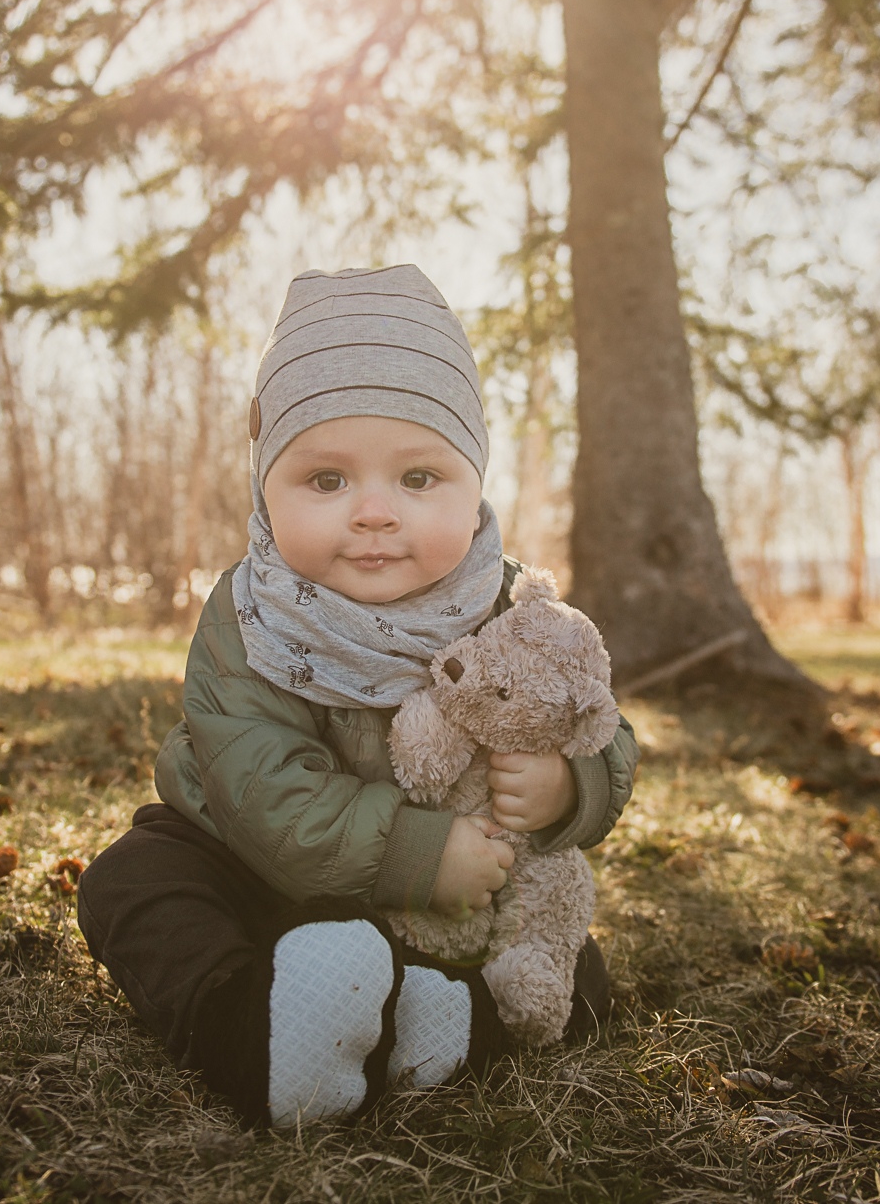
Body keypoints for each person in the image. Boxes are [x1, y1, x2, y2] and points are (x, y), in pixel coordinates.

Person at [77, 265, 640, 1128]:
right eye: (328, 480)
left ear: (474, 481)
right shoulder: (247, 614)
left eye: (419, 479)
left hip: (442, 899)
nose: (375, 512)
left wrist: (574, 786)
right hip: (242, 856)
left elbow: (600, 724)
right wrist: (417, 852)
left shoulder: (512, 605)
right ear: (265, 484)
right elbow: (264, 794)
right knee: (132, 882)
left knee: (576, 966)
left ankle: (444, 1023)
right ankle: (249, 1026)